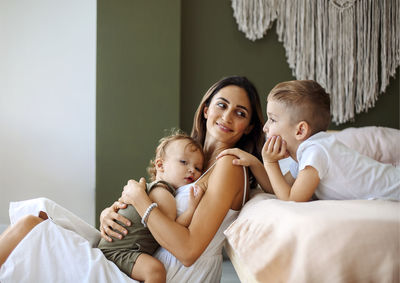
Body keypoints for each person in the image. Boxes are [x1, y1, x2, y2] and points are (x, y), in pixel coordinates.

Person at [0, 75, 265, 283]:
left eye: (240, 113)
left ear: (249, 127)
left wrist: (140, 201)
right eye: (222, 105)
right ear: (206, 109)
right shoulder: (189, 159)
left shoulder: (230, 165)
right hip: (134, 257)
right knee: (41, 217)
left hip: (165, 274)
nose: (227, 116)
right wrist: (109, 214)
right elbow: (150, 205)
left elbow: (188, 251)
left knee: (30, 228)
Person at [218, 80, 400, 202]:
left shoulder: (316, 151)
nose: (265, 127)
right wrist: (255, 163)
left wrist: (271, 162)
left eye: (272, 119)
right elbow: (278, 187)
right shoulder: (305, 154)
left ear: (300, 130)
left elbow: (291, 199)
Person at [98, 131, 205, 282]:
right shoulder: (162, 193)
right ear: (160, 165)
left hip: (118, 248)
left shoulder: (150, 190)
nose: (192, 170)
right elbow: (171, 230)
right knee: (155, 271)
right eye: (183, 162)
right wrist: (192, 210)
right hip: (118, 252)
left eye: (198, 168)